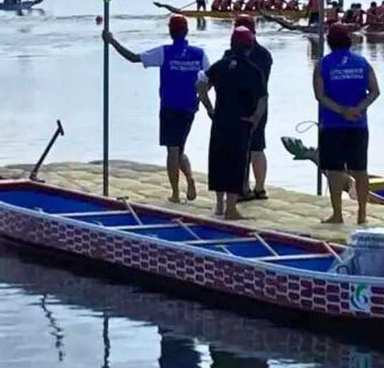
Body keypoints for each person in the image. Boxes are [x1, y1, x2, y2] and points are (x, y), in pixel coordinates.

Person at [104, 14, 210, 203]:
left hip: (170, 106)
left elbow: (134, 58)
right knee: (179, 148)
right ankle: (190, 178)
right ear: (186, 32)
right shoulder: (199, 54)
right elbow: (209, 79)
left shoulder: (164, 52)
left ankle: (176, 194)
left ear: (170, 32)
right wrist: (200, 98)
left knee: (172, 150)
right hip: (189, 108)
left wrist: (112, 42)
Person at [197, 27, 268, 220]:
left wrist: (209, 107)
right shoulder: (253, 70)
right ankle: (231, 208)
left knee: (218, 160)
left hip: (220, 119)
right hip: (241, 121)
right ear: (249, 47)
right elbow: (263, 99)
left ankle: (220, 205)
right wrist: (255, 118)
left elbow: (201, 84)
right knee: (236, 164)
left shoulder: (219, 66)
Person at [314, 23, 379, 225]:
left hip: (332, 123)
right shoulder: (362, 62)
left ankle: (337, 213)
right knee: (360, 170)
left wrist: (342, 110)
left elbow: (320, 96)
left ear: (329, 42)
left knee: (334, 170)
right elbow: (375, 91)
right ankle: (362, 213)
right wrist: (358, 108)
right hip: (358, 123)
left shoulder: (323, 64)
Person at [230, 15, 273, 201]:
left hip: (240, 105)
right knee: (258, 147)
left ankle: (243, 187)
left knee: (241, 148)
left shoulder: (232, 54)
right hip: (261, 104)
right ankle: (260, 188)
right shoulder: (265, 54)